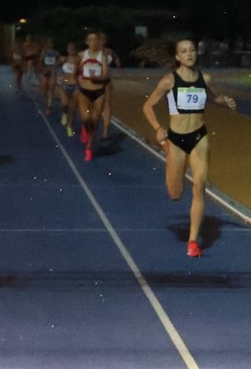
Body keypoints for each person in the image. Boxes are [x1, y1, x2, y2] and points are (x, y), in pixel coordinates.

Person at [141, 38, 237, 257]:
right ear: (177, 57)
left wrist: (224, 101)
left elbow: (213, 98)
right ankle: (168, 153)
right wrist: (158, 129)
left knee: (199, 186)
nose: (189, 54)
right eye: (184, 51)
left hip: (199, 137)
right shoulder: (169, 81)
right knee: (175, 194)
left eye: (192, 50)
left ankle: (193, 242)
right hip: (176, 139)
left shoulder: (205, 78)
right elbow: (147, 106)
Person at [76, 31, 111, 162]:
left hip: (99, 92)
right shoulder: (81, 55)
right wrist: (76, 80)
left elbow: (106, 75)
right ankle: (85, 129)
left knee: (94, 121)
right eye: (91, 39)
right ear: (87, 42)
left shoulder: (103, 57)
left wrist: (97, 78)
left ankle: (89, 148)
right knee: (86, 118)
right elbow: (75, 71)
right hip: (84, 91)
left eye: (96, 39)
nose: (94, 42)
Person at [98, 31, 121, 139]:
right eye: (100, 38)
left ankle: (105, 130)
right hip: (94, 82)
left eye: (104, 38)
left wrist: (118, 66)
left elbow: (116, 58)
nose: (102, 41)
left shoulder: (109, 52)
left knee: (107, 104)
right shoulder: (92, 52)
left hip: (106, 82)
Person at [57, 42, 79, 137]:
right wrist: (59, 77)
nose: (70, 50)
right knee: (65, 104)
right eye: (69, 48)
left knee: (73, 108)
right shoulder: (65, 59)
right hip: (64, 85)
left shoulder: (79, 59)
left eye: (72, 49)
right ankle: (64, 113)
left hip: (76, 85)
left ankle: (69, 126)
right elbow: (55, 66)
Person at [38, 37, 60, 115]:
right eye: (49, 42)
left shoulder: (56, 53)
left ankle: (49, 106)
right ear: (47, 44)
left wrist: (55, 66)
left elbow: (59, 61)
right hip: (45, 72)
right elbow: (40, 62)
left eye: (51, 42)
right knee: (44, 89)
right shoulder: (44, 52)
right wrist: (43, 69)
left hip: (52, 72)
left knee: (51, 88)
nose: (50, 44)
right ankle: (48, 100)